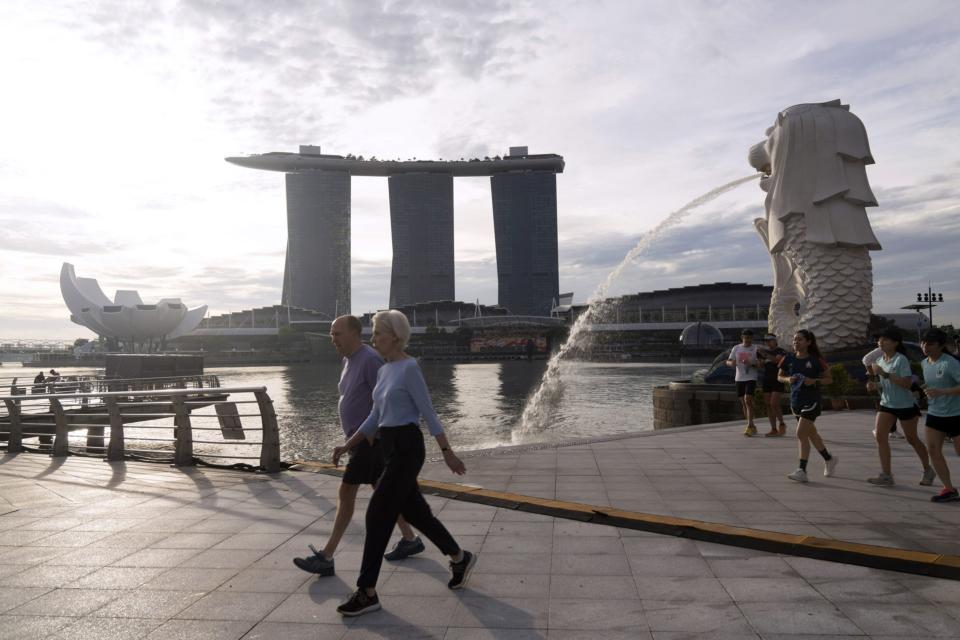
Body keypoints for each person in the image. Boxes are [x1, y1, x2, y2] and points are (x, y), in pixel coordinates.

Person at [332, 310, 476, 617]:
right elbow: (374, 417)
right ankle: (458, 556)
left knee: (376, 513)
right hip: (388, 447)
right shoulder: (384, 371)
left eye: (379, 334)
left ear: (395, 336)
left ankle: (367, 592)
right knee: (417, 513)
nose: (374, 339)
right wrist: (348, 444)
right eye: (373, 334)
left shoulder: (410, 368)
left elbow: (429, 413)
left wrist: (447, 452)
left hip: (409, 447)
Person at [293, 316, 422, 577]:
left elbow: (385, 400)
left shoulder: (370, 359)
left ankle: (327, 556)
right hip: (359, 440)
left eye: (337, 334)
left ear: (355, 333)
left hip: (370, 441)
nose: (333, 339)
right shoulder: (349, 360)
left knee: (346, 493)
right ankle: (410, 539)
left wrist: (374, 437)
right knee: (383, 492)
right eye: (331, 335)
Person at [864, 328, 933, 487]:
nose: (880, 342)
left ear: (895, 343)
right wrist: (876, 384)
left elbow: (906, 383)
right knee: (880, 436)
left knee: (912, 438)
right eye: (879, 340)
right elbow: (885, 383)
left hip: (905, 405)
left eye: (885, 340)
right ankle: (886, 475)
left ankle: (928, 469)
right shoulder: (881, 360)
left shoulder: (900, 360)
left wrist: (885, 374)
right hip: (887, 404)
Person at [779, 330, 838, 482]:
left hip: (812, 401)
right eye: (794, 340)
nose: (795, 342)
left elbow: (829, 379)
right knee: (811, 434)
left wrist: (814, 381)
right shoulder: (788, 358)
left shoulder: (816, 360)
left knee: (801, 434)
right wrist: (787, 380)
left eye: (799, 340)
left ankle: (802, 470)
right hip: (796, 402)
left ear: (808, 342)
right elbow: (779, 376)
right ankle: (828, 458)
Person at [920, 329, 960, 502]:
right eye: (923, 343)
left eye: (930, 344)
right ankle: (949, 489)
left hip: (956, 414)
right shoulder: (924, 363)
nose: (925, 347)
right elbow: (931, 385)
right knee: (933, 450)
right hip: (935, 413)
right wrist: (922, 390)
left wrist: (942, 391)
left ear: (941, 346)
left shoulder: (950, 362)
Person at [726, 329, 760, 436]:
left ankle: (749, 426)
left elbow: (761, 364)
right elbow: (728, 361)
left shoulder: (756, 349)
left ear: (752, 338)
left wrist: (752, 363)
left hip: (751, 377)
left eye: (749, 337)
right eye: (745, 337)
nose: (747, 340)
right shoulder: (736, 348)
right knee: (744, 403)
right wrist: (731, 363)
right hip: (739, 378)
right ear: (742, 338)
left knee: (748, 399)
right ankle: (751, 424)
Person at [758, 334, 788, 436]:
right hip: (767, 379)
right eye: (765, 341)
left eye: (769, 340)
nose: (767, 342)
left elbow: (777, 360)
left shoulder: (780, 351)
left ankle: (782, 424)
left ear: (775, 341)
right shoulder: (763, 353)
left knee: (773, 403)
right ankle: (773, 428)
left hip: (778, 379)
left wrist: (765, 355)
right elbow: (760, 365)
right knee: (768, 405)